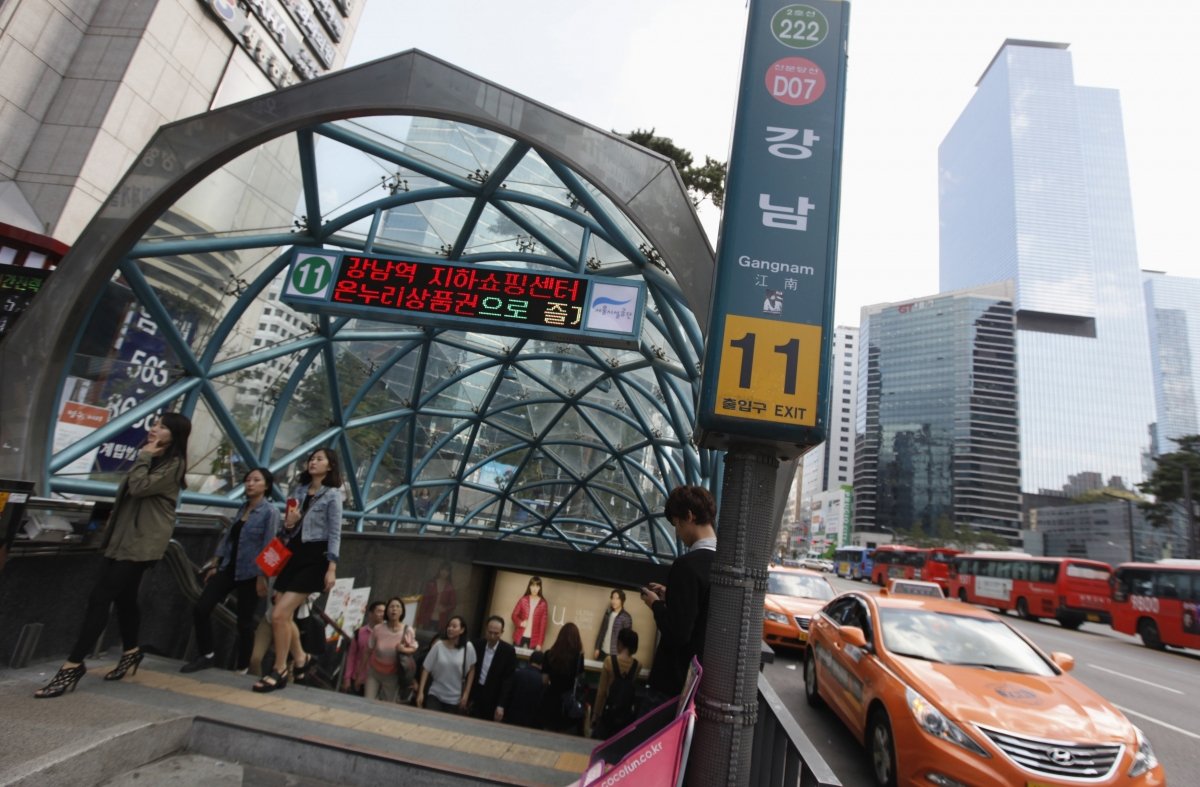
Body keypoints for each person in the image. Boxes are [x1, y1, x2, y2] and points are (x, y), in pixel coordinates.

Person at [35, 413, 192, 699]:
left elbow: (139, 488)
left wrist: (143, 456)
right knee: (125, 599)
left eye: (162, 426)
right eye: (154, 424)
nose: (154, 429)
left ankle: (73, 665)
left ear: (176, 434)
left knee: (100, 597)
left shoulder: (174, 463)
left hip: (141, 543)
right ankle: (132, 652)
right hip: (123, 540)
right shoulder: (155, 458)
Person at [253, 447, 343, 693]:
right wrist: (289, 524)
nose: (313, 462)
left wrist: (331, 568)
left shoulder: (333, 495)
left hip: (316, 559)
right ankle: (301, 658)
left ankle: (280, 669)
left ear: (330, 466)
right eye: (311, 458)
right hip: (293, 556)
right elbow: (287, 532)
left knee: (280, 614)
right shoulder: (299, 492)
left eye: (319, 459)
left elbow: (335, 533)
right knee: (283, 614)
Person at [181, 466, 279, 673]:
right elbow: (228, 539)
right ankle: (206, 654)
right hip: (228, 568)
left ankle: (242, 667)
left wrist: (263, 577)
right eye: (248, 480)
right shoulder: (243, 507)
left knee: (244, 622)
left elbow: (270, 546)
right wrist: (216, 563)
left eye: (256, 480)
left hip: (251, 573)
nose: (250, 484)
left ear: (267, 486)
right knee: (201, 608)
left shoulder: (270, 512)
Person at [640, 484, 717, 702]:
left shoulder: (687, 565)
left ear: (689, 516)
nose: (678, 532)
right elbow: (701, 609)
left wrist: (656, 604)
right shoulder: (723, 562)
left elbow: (677, 633)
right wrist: (671, 595)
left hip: (674, 682)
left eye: (677, 524)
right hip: (703, 681)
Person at [416, 615, 475, 713]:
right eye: (449, 626)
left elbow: (472, 669)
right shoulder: (438, 646)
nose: (450, 629)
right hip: (435, 694)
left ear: (462, 630)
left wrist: (466, 694)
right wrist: (421, 692)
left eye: (454, 626)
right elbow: (426, 668)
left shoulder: (468, 647)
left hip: (455, 699)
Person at [365, 596, 418, 702]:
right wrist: (359, 672)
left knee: (387, 706)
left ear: (402, 611)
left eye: (398, 607)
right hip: (374, 672)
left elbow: (414, 648)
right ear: (387, 611)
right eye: (391, 607)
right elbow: (368, 651)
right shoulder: (378, 628)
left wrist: (403, 649)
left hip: (392, 675)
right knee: (368, 701)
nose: (394, 609)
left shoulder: (407, 630)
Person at [592, 628, 640, 740]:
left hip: (608, 711)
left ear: (620, 643)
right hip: (625, 714)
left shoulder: (609, 661)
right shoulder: (637, 665)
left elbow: (602, 691)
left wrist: (596, 714)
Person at [538, 621, 584, 733]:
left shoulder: (549, 654)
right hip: (568, 701)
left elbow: (544, 680)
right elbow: (580, 678)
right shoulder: (578, 657)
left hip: (550, 699)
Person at [469, 615, 517, 722]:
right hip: (475, 693)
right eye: (490, 632)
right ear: (486, 630)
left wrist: (501, 705)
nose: (492, 636)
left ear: (502, 632)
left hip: (493, 697)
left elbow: (508, 680)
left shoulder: (508, 651)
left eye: (496, 633)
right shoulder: (476, 645)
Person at [343, 599, 385, 694]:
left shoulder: (387, 634)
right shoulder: (359, 633)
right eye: (379, 611)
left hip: (377, 681)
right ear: (370, 614)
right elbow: (351, 656)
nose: (382, 614)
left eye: (384, 612)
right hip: (358, 679)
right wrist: (347, 678)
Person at [501, 650, 545, 728]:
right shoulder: (541, 680)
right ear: (542, 664)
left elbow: (508, 693)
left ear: (530, 660)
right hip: (529, 721)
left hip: (512, 716)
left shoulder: (518, 673)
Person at [414, 560, 456, 633]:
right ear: (439, 570)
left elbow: (453, 604)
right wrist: (420, 619)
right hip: (427, 617)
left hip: (441, 620)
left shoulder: (450, 588)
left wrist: (445, 609)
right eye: (442, 569)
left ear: (449, 573)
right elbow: (424, 602)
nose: (444, 572)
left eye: (447, 570)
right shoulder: (431, 584)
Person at [593, 588, 633, 660]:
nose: (614, 601)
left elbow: (627, 640)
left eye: (617, 599)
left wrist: (624, 655)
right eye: (613, 598)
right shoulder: (608, 612)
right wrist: (597, 648)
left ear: (622, 600)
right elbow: (602, 631)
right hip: (603, 651)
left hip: (616, 654)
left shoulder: (626, 617)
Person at [511, 575, 548, 649]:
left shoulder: (543, 603)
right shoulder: (523, 600)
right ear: (529, 587)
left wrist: (540, 643)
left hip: (534, 640)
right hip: (519, 636)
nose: (535, 589)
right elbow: (514, 615)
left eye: (537, 586)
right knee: (514, 659)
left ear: (540, 588)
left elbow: (543, 626)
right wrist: (520, 623)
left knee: (529, 660)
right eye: (533, 586)